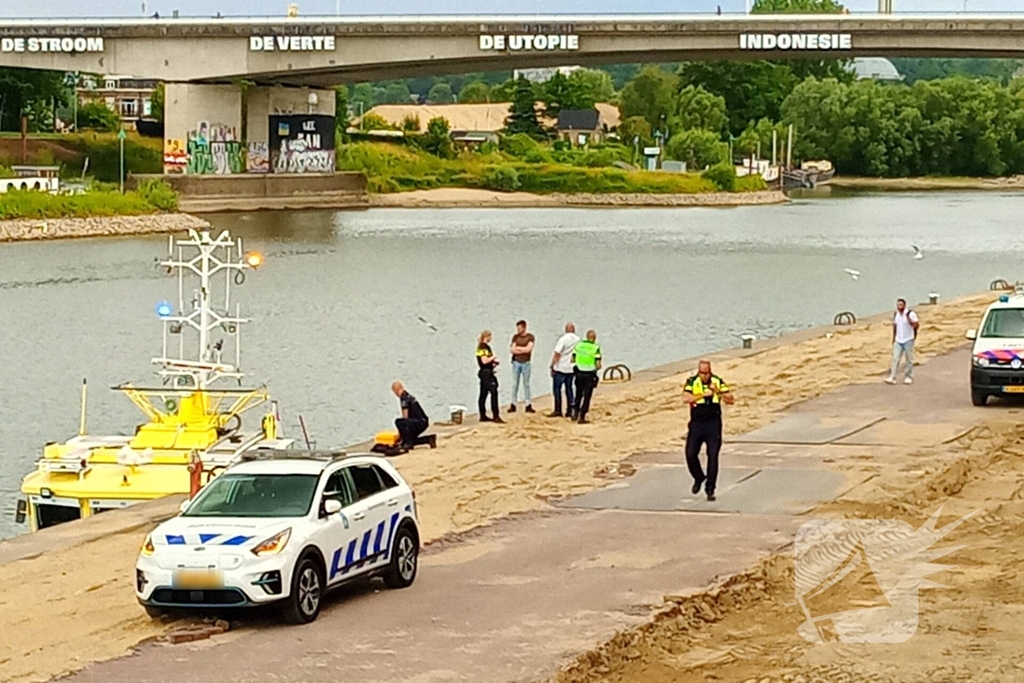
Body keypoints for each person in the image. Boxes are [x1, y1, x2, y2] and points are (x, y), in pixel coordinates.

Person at [683, 360, 734, 502]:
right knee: (690, 453)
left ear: (710, 372)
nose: (704, 376)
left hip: (713, 423)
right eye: (701, 373)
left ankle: (710, 488)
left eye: (706, 373)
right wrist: (702, 395)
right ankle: (699, 477)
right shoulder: (692, 382)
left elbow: (730, 399)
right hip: (697, 423)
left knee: (712, 456)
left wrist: (716, 391)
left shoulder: (717, 381)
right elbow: (685, 398)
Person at [549, 322, 580, 419]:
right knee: (569, 389)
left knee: (557, 389)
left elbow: (557, 353)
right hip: (571, 368)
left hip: (561, 368)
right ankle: (570, 410)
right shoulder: (578, 340)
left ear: (566, 329)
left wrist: (552, 365)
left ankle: (558, 409)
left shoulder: (562, 339)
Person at [886, 298, 919, 385]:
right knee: (895, 358)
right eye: (898, 305)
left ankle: (908, 376)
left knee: (909, 359)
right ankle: (892, 376)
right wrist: (893, 339)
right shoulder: (896, 315)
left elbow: (916, 325)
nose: (899, 306)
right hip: (899, 340)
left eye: (901, 305)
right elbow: (895, 327)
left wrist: (910, 321)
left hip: (908, 339)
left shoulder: (910, 314)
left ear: (904, 305)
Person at [572, 330, 602, 424]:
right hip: (589, 374)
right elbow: (598, 365)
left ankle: (575, 413)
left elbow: (572, 359)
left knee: (578, 394)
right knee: (587, 396)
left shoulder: (578, 345)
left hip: (579, 373)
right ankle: (582, 416)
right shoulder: (595, 348)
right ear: (594, 338)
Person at [476, 330, 504, 423]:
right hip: (486, 373)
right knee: (493, 392)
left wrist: (494, 364)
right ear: (487, 337)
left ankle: (482, 415)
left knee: (483, 393)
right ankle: (496, 415)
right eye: (490, 336)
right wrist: (494, 357)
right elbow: (484, 361)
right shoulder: (483, 347)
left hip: (485, 372)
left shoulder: (481, 347)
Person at [391, 381, 429, 449]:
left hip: (419, 422)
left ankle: (408, 443)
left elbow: (405, 417)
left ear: (395, 390)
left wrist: (400, 435)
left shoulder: (403, 397)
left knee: (399, 422)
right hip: (424, 421)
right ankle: (428, 439)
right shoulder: (408, 395)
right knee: (409, 435)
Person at [509, 320, 536, 414]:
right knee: (514, 384)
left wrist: (519, 349)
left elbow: (529, 349)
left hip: (526, 363)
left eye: (519, 328)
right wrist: (522, 350)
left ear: (524, 327)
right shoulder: (515, 337)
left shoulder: (530, 337)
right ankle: (513, 404)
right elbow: (512, 349)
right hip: (516, 362)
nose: (518, 330)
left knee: (526, 384)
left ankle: (528, 404)